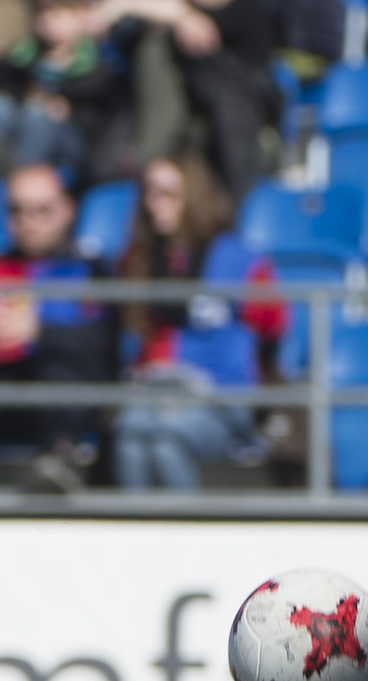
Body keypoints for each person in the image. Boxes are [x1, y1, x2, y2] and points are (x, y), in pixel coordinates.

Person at [87, 0, 342, 198]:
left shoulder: (245, 9)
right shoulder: (175, 19)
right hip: (187, 139)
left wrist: (128, 0)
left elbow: (205, 33)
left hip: (243, 143)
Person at [111, 154, 280, 490]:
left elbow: (273, 323)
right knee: (129, 440)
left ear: (194, 197)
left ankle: (182, 539)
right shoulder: (139, 261)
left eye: (168, 194)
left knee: (167, 443)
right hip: (155, 391)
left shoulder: (238, 259)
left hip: (217, 396)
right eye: (150, 192)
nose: (154, 204)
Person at [0, 163, 112, 487]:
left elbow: (103, 343)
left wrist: (38, 330)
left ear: (67, 211)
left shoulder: (92, 271)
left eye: (42, 210)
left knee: (59, 359)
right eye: (17, 211)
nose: (28, 222)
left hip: (61, 396)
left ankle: (61, 459)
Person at [0, 0, 123, 182]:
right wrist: (28, 94)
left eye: (60, 13)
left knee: (39, 115)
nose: (51, 22)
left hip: (72, 141)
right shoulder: (22, 57)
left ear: (81, 16)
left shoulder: (97, 67)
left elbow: (102, 116)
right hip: (21, 126)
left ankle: (23, 181)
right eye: (43, 14)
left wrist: (68, 108)